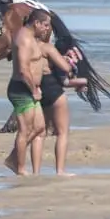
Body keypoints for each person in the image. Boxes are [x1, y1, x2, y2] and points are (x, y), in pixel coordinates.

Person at [3, 10, 62, 176]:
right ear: (36, 23)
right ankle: (19, 168)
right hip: (22, 90)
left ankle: (13, 158)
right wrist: (34, 89)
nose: (47, 29)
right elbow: (23, 70)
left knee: (39, 127)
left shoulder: (33, 39)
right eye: (45, 25)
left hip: (31, 89)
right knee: (25, 130)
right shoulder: (24, 38)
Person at [33, 39, 89, 176]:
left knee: (39, 134)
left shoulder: (37, 52)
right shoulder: (57, 57)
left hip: (40, 91)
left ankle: (35, 172)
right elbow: (64, 81)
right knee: (62, 133)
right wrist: (83, 81)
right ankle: (60, 171)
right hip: (55, 93)